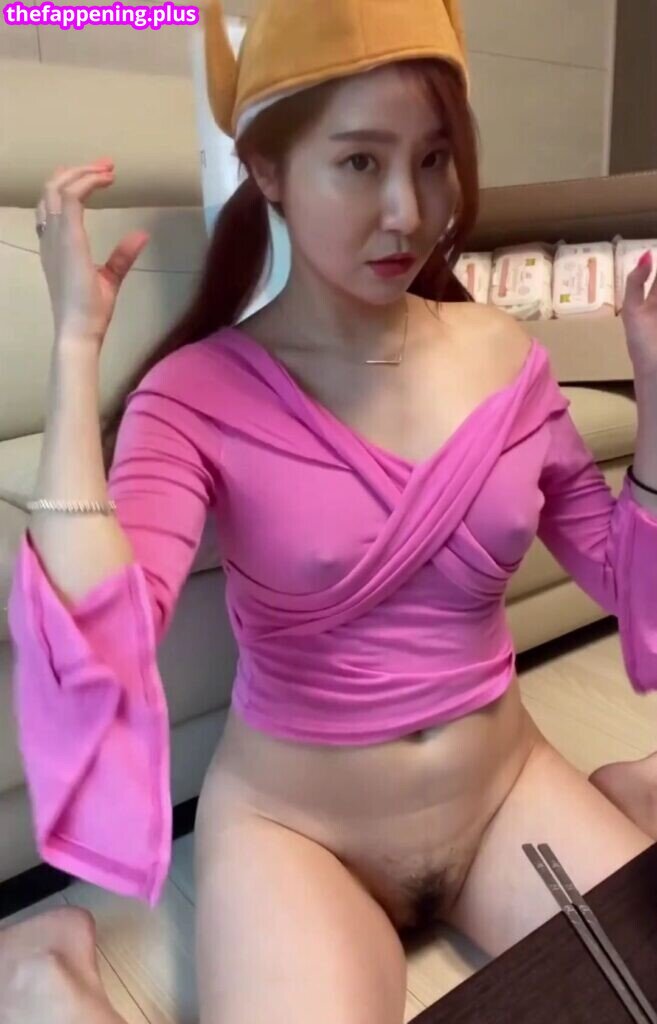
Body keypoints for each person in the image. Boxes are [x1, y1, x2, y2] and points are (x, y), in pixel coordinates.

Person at [2, 0, 657, 1021]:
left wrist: (653, 397)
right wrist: (75, 346)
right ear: (268, 170)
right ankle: (44, 969)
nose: (408, 209)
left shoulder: (507, 355)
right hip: (298, 834)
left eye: (433, 159)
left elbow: (628, 581)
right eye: (359, 162)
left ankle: (621, 794)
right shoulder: (197, 392)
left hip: (504, 796)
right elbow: (101, 636)